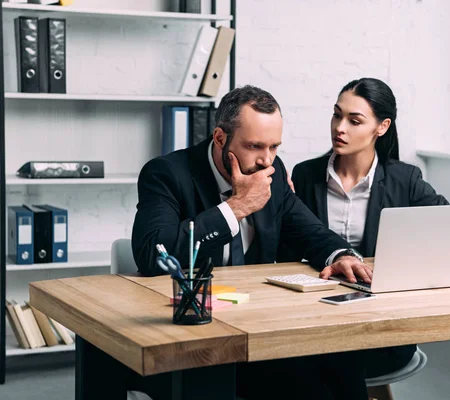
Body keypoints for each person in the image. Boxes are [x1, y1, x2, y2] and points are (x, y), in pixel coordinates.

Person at [131, 85, 375, 399]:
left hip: (258, 328)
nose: (266, 160)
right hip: (190, 335)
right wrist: (237, 206)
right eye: (255, 146)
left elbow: (306, 228)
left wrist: (339, 254)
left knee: (343, 359)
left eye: (274, 147)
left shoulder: (273, 171)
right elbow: (153, 254)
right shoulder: (167, 173)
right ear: (220, 138)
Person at [279, 77, 450, 397]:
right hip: (316, 313)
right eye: (337, 115)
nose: (340, 127)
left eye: (354, 120)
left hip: (381, 323)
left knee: (333, 359)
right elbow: (287, 246)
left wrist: (410, 252)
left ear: (382, 126)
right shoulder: (305, 175)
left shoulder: (405, 179)